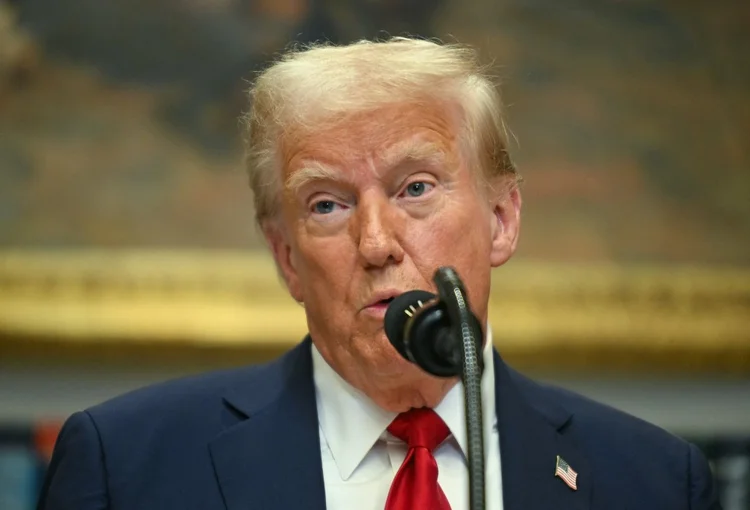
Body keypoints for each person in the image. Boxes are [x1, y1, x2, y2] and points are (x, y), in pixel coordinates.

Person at [37, 37, 721, 510]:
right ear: (286, 258)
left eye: (416, 188)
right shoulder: (126, 466)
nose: (375, 242)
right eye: (327, 204)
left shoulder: (653, 480)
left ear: (502, 219)